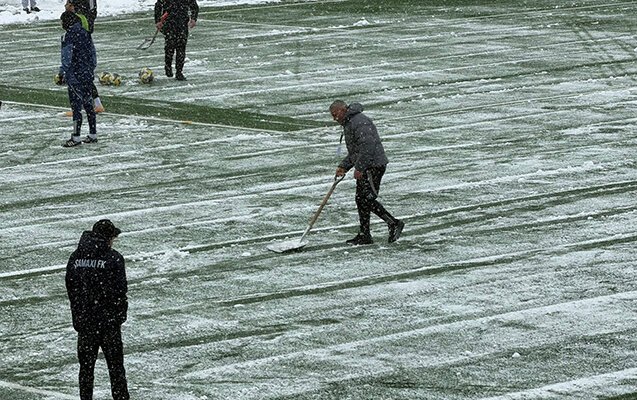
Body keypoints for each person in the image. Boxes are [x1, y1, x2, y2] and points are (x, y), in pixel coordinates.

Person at [65, 219, 130, 400]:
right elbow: (120, 291)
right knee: (116, 369)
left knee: (86, 369)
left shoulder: (75, 258)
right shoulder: (113, 258)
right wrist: (118, 316)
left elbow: (71, 288)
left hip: (86, 323)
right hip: (108, 324)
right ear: (108, 238)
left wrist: (79, 315)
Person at [330, 100, 405, 245]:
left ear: (342, 110)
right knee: (361, 199)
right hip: (368, 165)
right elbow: (356, 151)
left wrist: (360, 168)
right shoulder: (350, 122)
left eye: (335, 114)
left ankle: (393, 223)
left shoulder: (359, 122)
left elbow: (367, 147)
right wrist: (343, 166)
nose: (334, 118)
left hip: (373, 166)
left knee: (367, 199)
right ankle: (365, 234)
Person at [56, 10, 98, 147]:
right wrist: (90, 69)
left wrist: (62, 73)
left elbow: (66, 58)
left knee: (76, 107)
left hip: (75, 75)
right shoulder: (86, 33)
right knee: (88, 104)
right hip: (87, 74)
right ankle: (93, 134)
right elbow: (93, 54)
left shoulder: (68, 36)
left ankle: (76, 136)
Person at [64, 0, 105, 114]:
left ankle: (81, 106)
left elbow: (91, 16)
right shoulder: (78, 19)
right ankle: (96, 104)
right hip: (83, 50)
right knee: (84, 78)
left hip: (82, 51)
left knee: (78, 78)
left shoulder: (80, 19)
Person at [154, 0, 199, 81]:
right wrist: (157, 21)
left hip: (182, 23)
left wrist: (193, 19)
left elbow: (194, 6)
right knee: (169, 47)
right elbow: (158, 6)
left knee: (181, 48)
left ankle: (179, 72)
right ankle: (168, 66)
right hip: (169, 23)